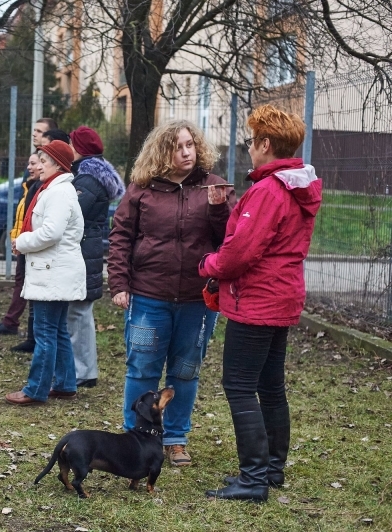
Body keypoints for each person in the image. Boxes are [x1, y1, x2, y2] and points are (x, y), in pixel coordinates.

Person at [201, 105, 321, 502]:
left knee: (238, 386)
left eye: (253, 141)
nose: (250, 148)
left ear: (266, 143)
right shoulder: (292, 187)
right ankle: (272, 470)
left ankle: (253, 480)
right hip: (281, 297)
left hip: (257, 301)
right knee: (270, 387)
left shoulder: (268, 190)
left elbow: (240, 254)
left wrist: (208, 264)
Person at [107, 120, 234, 467]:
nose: (186, 152)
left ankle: (175, 438)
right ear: (162, 151)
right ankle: (136, 434)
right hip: (149, 295)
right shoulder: (141, 189)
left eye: (190, 144)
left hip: (198, 299)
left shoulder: (213, 186)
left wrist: (219, 208)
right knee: (142, 369)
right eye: (178, 146)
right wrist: (119, 283)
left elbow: (231, 240)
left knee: (185, 371)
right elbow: (120, 237)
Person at [5, 140, 86, 405]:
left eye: (44, 161)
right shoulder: (53, 189)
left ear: (57, 165)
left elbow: (52, 233)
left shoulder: (58, 192)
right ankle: (64, 384)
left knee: (45, 332)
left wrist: (22, 242)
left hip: (52, 272)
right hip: (52, 271)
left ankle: (36, 389)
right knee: (57, 330)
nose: (38, 165)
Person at [0, 118, 57, 340]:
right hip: (23, 240)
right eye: (34, 130)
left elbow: (47, 226)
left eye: (40, 132)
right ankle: (21, 328)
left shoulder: (51, 185)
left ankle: (24, 330)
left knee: (29, 286)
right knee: (22, 283)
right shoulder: (34, 179)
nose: (35, 135)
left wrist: (24, 240)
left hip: (32, 244)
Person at [68, 126, 125, 388]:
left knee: (79, 313)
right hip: (86, 248)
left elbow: (73, 214)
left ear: (80, 148)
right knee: (80, 313)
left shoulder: (86, 181)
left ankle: (84, 371)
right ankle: (82, 368)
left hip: (82, 250)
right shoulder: (87, 177)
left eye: (71, 143)